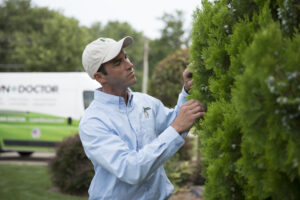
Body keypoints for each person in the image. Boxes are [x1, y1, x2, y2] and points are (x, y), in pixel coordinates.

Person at [79, 36, 205, 200]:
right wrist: (176, 128)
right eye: (118, 63)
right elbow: (132, 170)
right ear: (100, 77)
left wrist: (187, 91)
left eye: (126, 57)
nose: (129, 65)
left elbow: (176, 122)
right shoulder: (93, 122)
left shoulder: (145, 102)